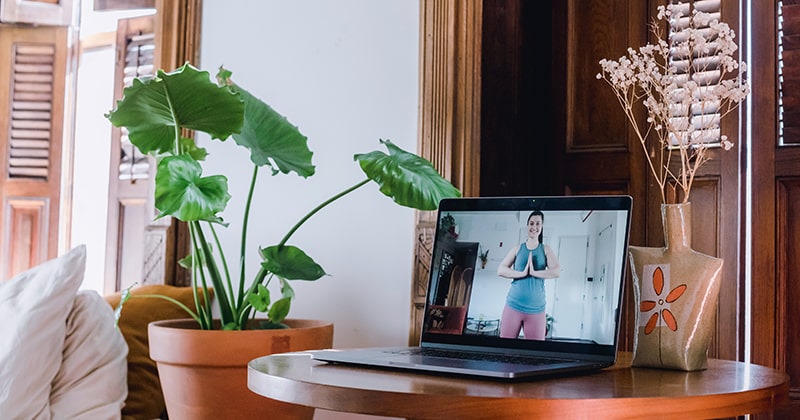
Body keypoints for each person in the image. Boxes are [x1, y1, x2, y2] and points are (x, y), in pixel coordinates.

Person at [497, 210, 561, 340]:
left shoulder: (546, 249)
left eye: (538, 224)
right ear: (527, 226)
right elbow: (501, 270)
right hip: (513, 305)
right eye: (531, 223)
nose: (534, 227)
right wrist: (521, 273)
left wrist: (534, 272)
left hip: (536, 309)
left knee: (536, 353)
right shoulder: (517, 249)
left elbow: (556, 271)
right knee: (505, 350)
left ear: (541, 227)